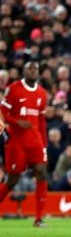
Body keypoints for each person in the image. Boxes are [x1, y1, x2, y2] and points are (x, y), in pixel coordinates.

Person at [0, 61, 48, 227]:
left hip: (35, 142)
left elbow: (41, 122)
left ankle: (39, 218)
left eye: (36, 69)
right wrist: (16, 122)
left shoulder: (42, 93)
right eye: (30, 69)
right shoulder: (13, 89)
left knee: (41, 172)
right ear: (24, 71)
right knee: (12, 180)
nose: (33, 72)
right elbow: (3, 114)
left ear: (39, 73)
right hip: (17, 142)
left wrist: (44, 145)